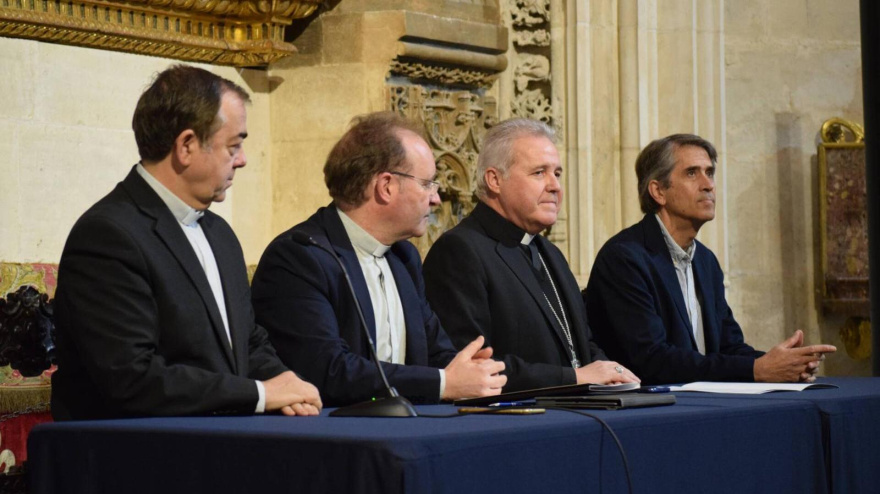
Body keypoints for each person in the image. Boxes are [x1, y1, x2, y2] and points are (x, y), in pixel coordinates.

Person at [51, 65, 321, 420]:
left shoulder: (219, 234)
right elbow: (131, 378)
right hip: (133, 452)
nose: (242, 160)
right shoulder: (108, 236)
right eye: (233, 146)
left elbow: (246, 340)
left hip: (216, 437)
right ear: (187, 146)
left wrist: (282, 379)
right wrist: (259, 393)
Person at [251, 112, 506, 406]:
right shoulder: (300, 257)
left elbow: (436, 352)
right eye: (427, 184)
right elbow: (327, 370)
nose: (436, 198)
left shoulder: (404, 257)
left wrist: (473, 371)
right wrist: (444, 383)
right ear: (386, 186)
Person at [583, 134, 837, 384]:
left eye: (710, 172)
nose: (708, 185)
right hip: (648, 412)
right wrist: (756, 369)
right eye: (692, 173)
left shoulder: (706, 261)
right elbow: (652, 360)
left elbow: (728, 347)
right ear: (658, 191)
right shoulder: (624, 258)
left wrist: (782, 364)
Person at [422, 118, 639, 392]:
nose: (555, 186)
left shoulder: (550, 253)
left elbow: (582, 344)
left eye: (557, 174)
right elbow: (474, 365)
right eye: (539, 173)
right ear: (494, 180)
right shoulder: (460, 251)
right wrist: (574, 378)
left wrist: (613, 374)